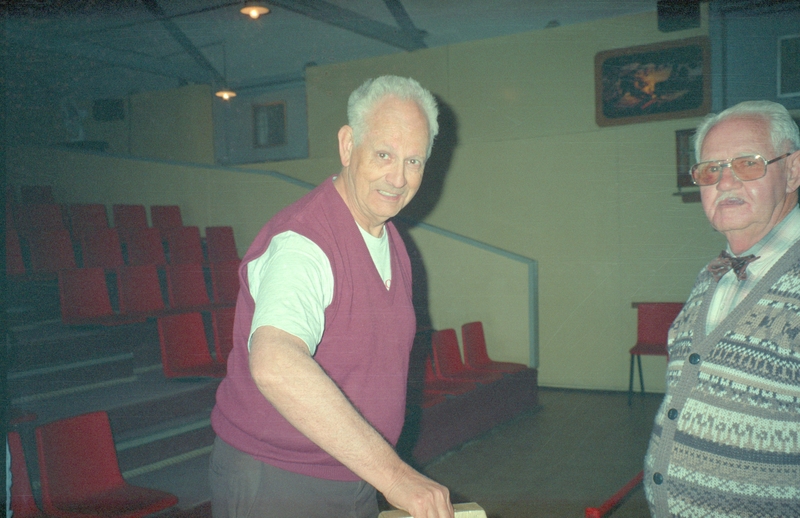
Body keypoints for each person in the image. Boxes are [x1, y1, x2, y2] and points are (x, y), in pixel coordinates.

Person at [209, 75, 454, 518]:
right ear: (347, 145)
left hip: (355, 472)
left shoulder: (392, 239)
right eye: (383, 154)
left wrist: (380, 472)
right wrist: (396, 477)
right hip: (280, 481)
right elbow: (275, 364)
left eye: (413, 160)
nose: (398, 177)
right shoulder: (304, 241)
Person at [644, 100, 800, 517]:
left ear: (793, 170)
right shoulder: (716, 274)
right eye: (711, 170)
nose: (725, 182)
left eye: (747, 164)